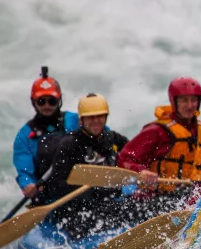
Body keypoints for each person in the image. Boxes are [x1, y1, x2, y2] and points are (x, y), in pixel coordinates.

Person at [41, 93, 136, 240]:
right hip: (78, 208)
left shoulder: (112, 138)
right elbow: (55, 186)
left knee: (139, 208)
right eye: (91, 118)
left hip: (109, 202)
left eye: (100, 116)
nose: (96, 121)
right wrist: (88, 190)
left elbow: (134, 156)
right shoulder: (70, 144)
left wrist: (142, 171)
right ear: (81, 120)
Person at [118, 77, 201, 210]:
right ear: (174, 102)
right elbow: (125, 159)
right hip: (155, 198)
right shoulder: (156, 131)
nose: (190, 105)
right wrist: (141, 171)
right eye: (184, 100)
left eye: (194, 100)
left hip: (187, 196)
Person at [13, 66, 80, 203]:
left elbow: (100, 133)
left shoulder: (74, 120)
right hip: (48, 197)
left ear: (59, 100)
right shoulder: (24, 135)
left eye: (52, 101)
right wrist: (27, 185)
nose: (47, 106)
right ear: (33, 102)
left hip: (78, 192)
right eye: (41, 101)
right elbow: (24, 172)